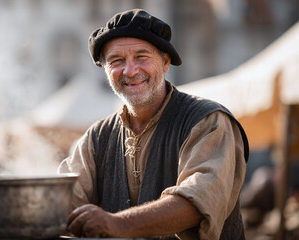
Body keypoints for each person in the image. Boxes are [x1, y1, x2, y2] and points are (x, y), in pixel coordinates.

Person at [58, 9, 249, 239]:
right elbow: (62, 202)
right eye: (116, 61)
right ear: (106, 70)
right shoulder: (96, 138)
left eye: (141, 57)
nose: (130, 70)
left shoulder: (207, 121)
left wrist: (117, 224)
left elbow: (197, 202)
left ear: (165, 62)